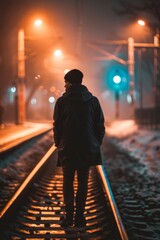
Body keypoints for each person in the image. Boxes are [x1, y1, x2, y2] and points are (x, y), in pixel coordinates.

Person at [53, 69, 105, 228]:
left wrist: (58, 143)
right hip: (87, 148)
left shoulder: (61, 102)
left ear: (69, 83)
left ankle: (69, 218)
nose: (64, 84)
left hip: (68, 147)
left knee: (68, 181)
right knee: (83, 181)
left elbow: (57, 126)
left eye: (65, 82)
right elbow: (100, 126)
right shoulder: (93, 101)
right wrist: (96, 143)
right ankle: (80, 217)